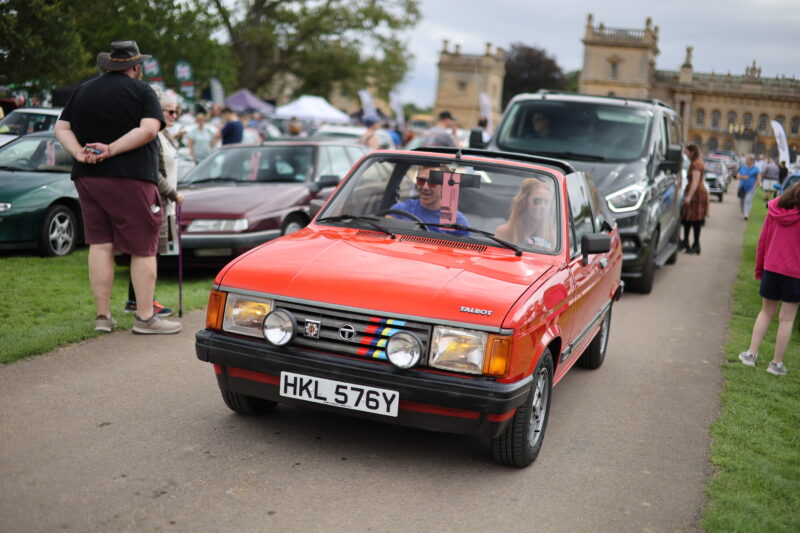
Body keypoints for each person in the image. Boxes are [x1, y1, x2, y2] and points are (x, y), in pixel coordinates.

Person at [54, 40, 181, 334]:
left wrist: (79, 153)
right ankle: (146, 318)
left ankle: (103, 317)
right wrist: (110, 150)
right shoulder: (143, 91)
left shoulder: (83, 90)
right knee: (144, 248)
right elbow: (149, 130)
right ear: (136, 67)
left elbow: (61, 127)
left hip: (87, 176)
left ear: (110, 64)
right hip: (131, 177)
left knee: (100, 244)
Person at [124, 87, 185, 317]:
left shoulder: (165, 135)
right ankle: (142, 302)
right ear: (157, 112)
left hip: (164, 201)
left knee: (152, 252)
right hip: (155, 200)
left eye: (177, 111)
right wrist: (173, 194)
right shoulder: (154, 136)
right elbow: (154, 173)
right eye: (170, 111)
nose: (174, 116)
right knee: (148, 252)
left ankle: (137, 299)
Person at [738, 182, 800, 376]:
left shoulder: (774, 210)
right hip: (795, 273)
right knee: (787, 319)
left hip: (771, 269)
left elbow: (762, 242)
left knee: (766, 312)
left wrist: (760, 269)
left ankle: (750, 354)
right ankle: (776, 363)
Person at [390, 165, 469, 234]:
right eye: (421, 181)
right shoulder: (400, 211)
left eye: (432, 182)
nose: (425, 187)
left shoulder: (457, 222)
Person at [495, 178, 557, 250]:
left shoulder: (552, 236)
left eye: (546, 202)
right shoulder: (504, 231)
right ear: (524, 202)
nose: (543, 206)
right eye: (537, 201)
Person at [679, 144, 709, 254]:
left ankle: (696, 244)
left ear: (692, 152)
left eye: (687, 152)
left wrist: (689, 197)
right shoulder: (695, 162)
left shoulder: (697, 164)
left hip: (696, 193)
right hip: (694, 191)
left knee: (696, 220)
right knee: (687, 218)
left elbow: (695, 182)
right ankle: (686, 241)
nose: (686, 155)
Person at [737, 154, 760, 220]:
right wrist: (743, 177)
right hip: (742, 186)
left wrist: (756, 185)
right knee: (742, 200)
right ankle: (742, 213)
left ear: (752, 161)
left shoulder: (756, 169)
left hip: (751, 187)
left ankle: (746, 214)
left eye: (748, 160)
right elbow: (738, 176)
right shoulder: (742, 168)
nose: (747, 161)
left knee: (748, 200)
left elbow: (758, 178)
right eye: (747, 160)